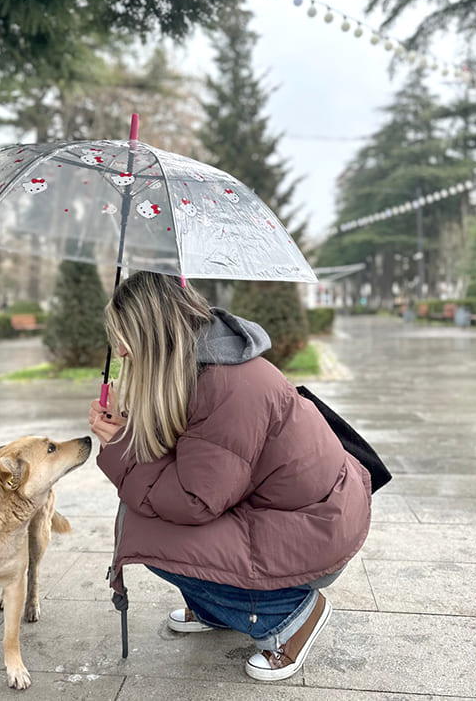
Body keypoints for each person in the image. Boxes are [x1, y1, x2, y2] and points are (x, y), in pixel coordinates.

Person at [89, 271, 372, 681]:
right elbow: (196, 458)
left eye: (126, 337)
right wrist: (130, 428)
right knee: (144, 511)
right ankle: (214, 607)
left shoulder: (224, 382)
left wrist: (121, 448)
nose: (121, 350)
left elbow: (194, 500)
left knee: (145, 531)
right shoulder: (202, 360)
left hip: (314, 527)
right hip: (286, 509)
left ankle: (291, 617)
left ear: (152, 333)